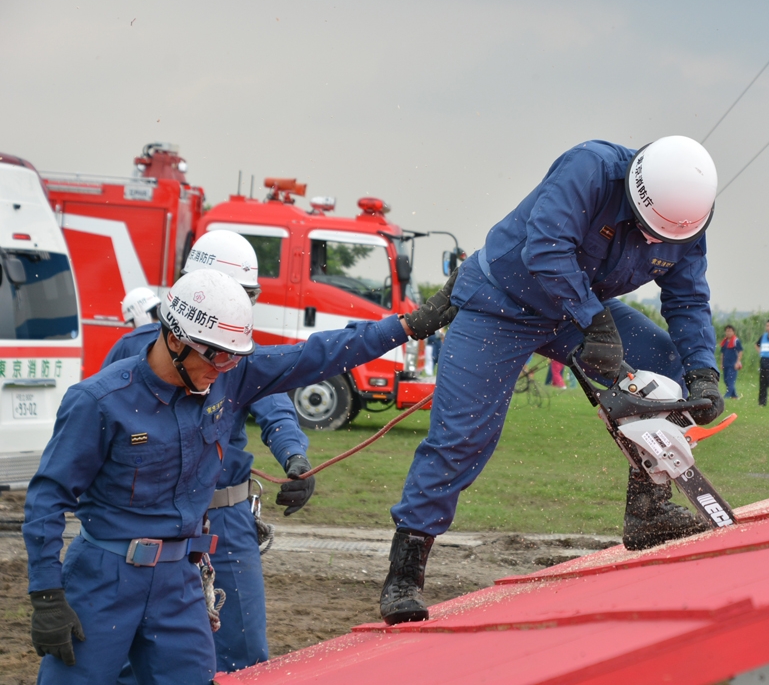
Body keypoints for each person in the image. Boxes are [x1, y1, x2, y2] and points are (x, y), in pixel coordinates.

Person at [23, 269, 457, 684]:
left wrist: (410, 325)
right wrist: (46, 596)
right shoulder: (98, 402)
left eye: (235, 355)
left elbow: (319, 353)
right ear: (175, 339)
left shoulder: (228, 375)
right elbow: (47, 500)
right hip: (103, 579)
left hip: (181, 582)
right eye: (216, 355)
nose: (226, 366)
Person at [378, 136, 725, 626]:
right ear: (634, 193)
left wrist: (703, 372)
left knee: (662, 361)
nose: (652, 244)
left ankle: (648, 511)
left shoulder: (684, 217)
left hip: (574, 309)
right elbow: (545, 247)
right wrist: (595, 323)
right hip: (500, 303)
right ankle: (405, 572)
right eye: (646, 232)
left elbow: (687, 299)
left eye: (662, 240)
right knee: (462, 437)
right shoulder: (590, 169)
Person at [109, 232, 312, 678]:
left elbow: (275, 407)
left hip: (224, 521)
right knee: (132, 655)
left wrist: (295, 457)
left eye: (248, 296)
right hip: (147, 525)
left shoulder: (242, 354)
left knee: (242, 653)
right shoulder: (133, 350)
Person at [718, 324, 743, 399]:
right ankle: (734, 396)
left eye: (730, 331)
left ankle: (726, 396)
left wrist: (738, 362)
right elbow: (722, 353)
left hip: (733, 364)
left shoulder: (736, 341)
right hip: (726, 364)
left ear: (733, 332)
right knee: (726, 380)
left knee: (730, 380)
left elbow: (740, 351)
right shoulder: (725, 342)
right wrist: (721, 363)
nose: (728, 333)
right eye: (727, 331)